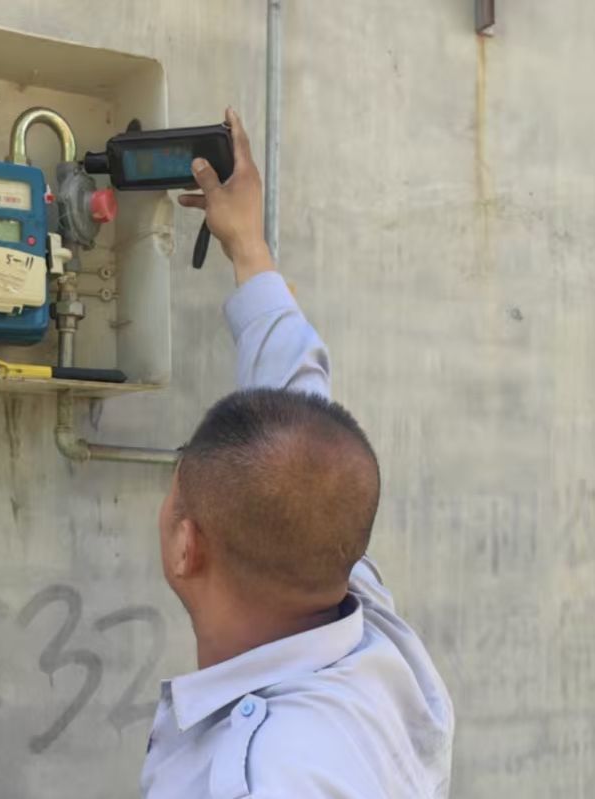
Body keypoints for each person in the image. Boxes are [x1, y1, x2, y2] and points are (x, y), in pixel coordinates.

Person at [142, 109, 454, 798]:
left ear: (186, 545)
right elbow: (293, 403)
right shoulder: (360, 618)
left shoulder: (262, 778)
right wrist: (246, 245)